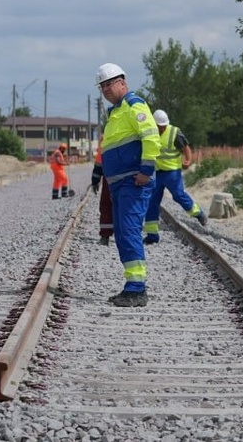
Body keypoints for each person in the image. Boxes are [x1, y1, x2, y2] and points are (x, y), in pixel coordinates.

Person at [96, 62, 160, 308]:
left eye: (109, 84)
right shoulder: (115, 113)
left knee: (130, 231)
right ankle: (132, 285)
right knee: (123, 232)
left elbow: (151, 137)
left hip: (133, 182)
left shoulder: (134, 105)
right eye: (102, 87)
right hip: (120, 184)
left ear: (122, 83)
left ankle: (137, 289)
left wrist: (146, 171)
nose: (105, 90)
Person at [143, 110, 207, 243]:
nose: (162, 128)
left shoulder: (174, 132)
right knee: (152, 202)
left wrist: (188, 160)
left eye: (163, 126)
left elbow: (186, 148)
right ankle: (152, 235)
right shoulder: (149, 132)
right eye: (159, 126)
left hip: (172, 172)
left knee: (178, 195)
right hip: (156, 173)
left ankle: (198, 213)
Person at [90, 136, 114, 246]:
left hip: (109, 178)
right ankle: (127, 235)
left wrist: (95, 181)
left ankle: (105, 236)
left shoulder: (106, 139)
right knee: (125, 207)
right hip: (128, 178)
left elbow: (99, 163)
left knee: (106, 205)